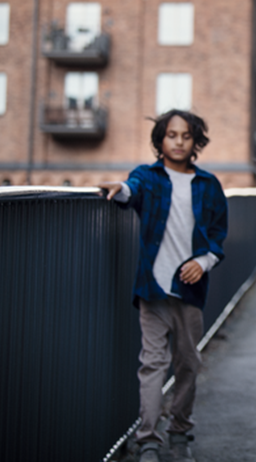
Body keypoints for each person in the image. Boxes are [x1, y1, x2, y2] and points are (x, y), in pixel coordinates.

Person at [99, 109, 228, 462]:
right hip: (152, 290)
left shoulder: (209, 185)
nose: (179, 141)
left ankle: (180, 431)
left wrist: (202, 263)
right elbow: (131, 191)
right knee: (152, 363)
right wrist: (119, 189)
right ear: (160, 140)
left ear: (195, 141)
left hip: (190, 292)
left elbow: (218, 236)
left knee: (187, 362)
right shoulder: (148, 176)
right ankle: (147, 438)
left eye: (186, 136)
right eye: (171, 135)